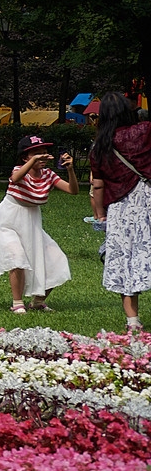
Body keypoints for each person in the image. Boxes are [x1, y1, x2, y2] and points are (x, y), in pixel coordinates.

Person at [0, 136, 77, 312]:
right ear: (25, 157)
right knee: (16, 257)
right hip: (8, 219)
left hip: (31, 221)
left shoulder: (48, 175)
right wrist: (32, 162)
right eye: (36, 154)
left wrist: (70, 169)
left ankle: (37, 302)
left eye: (44, 153)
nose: (42, 157)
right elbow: (15, 178)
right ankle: (17, 304)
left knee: (56, 258)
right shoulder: (19, 170)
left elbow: (73, 190)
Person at [94, 93, 151, 332]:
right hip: (147, 197)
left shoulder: (100, 147)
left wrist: (99, 214)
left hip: (120, 207)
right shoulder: (146, 131)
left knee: (126, 261)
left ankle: (132, 322)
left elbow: (98, 185)